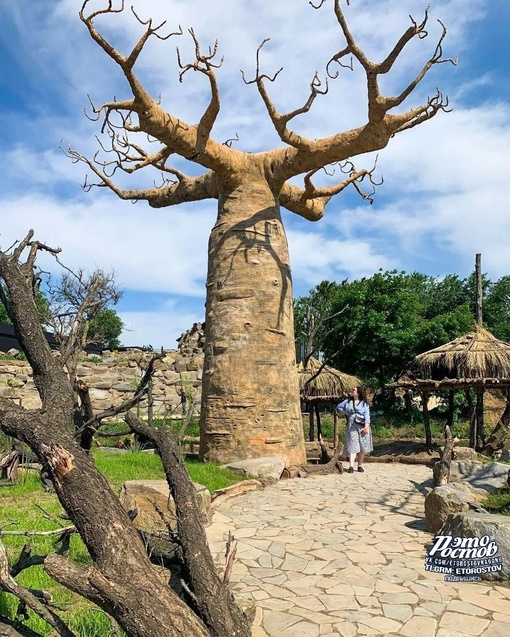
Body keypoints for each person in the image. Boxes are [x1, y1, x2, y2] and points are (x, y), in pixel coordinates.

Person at [337, 386, 372, 473]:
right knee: (353, 444)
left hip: (362, 426)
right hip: (352, 426)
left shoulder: (364, 403)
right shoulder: (347, 401)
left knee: (362, 446)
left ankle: (359, 465)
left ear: (358, 392)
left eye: (354, 390)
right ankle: (351, 466)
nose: (352, 391)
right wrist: (346, 412)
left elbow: (367, 416)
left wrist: (366, 427)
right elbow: (339, 407)